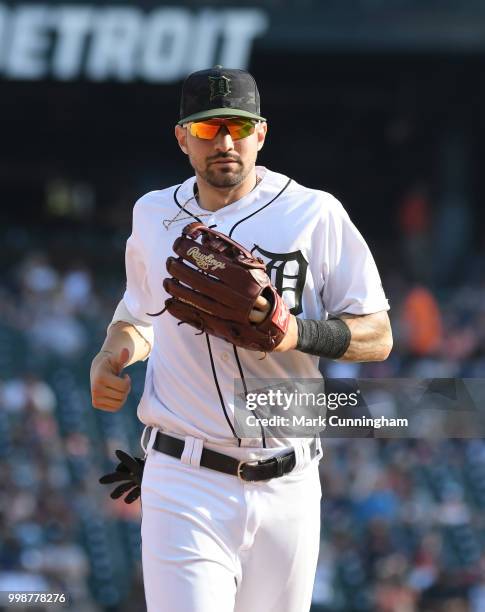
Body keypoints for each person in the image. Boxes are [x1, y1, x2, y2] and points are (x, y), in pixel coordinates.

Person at [90, 65, 393, 612]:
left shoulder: (314, 213)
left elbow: (378, 336)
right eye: (207, 129)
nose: (224, 141)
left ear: (261, 132)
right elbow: (139, 317)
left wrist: (296, 331)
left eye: (237, 126)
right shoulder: (152, 214)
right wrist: (116, 351)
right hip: (184, 482)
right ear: (183, 138)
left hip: (290, 481)